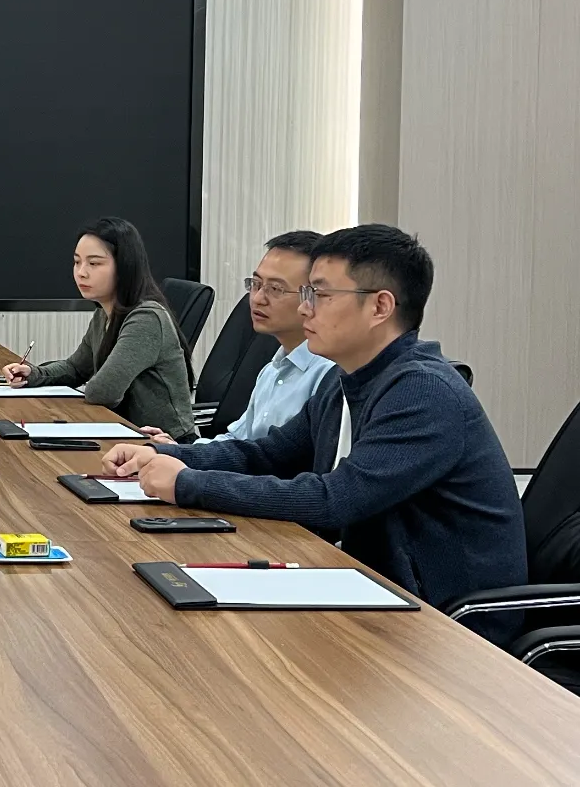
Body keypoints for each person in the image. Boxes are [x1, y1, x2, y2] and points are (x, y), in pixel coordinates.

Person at [103, 224, 526, 639]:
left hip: (448, 627)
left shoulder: (422, 392)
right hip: (366, 586)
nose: (305, 309)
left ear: (380, 307)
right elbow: (265, 454)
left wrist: (189, 484)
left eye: (320, 295)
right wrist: (167, 456)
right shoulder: (345, 380)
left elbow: (335, 499)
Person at [1, 217, 195, 441]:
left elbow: (103, 392)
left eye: (94, 263)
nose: (81, 272)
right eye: (77, 262)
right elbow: (76, 369)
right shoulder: (104, 313)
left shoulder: (146, 318)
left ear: (124, 267)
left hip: (168, 445)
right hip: (126, 435)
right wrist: (34, 374)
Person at [141, 231, 333, 445]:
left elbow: (279, 462)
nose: (258, 298)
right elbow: (238, 441)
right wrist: (178, 449)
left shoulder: (328, 377)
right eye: (256, 284)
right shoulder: (273, 370)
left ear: (314, 296)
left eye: (276, 289)